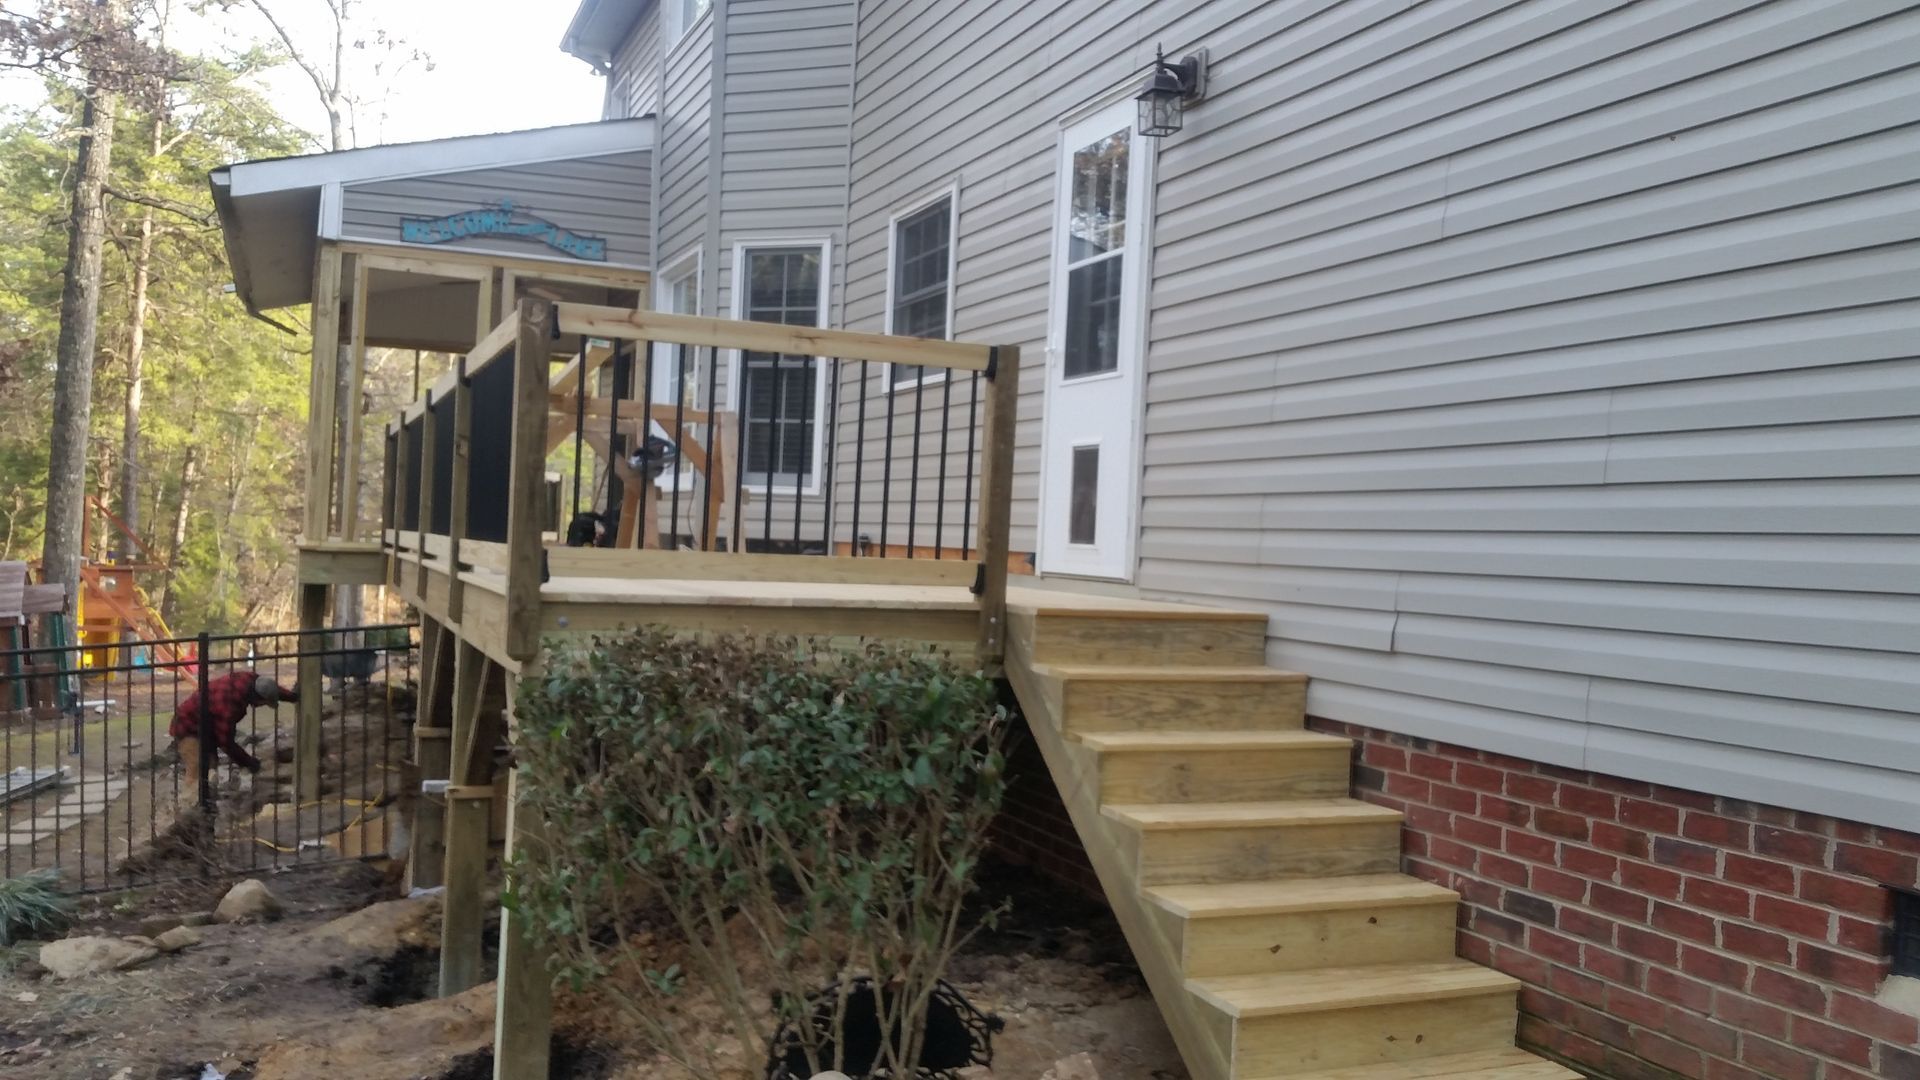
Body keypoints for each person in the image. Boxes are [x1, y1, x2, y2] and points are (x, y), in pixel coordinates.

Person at [170, 671, 299, 782]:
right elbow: (226, 742)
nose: (262, 706)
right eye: (263, 703)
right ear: (256, 699)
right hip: (187, 725)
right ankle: (190, 800)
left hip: (207, 724)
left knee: (210, 767)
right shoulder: (229, 705)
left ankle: (208, 796)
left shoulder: (250, 679)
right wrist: (249, 763)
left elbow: (271, 688)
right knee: (196, 769)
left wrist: (292, 697)